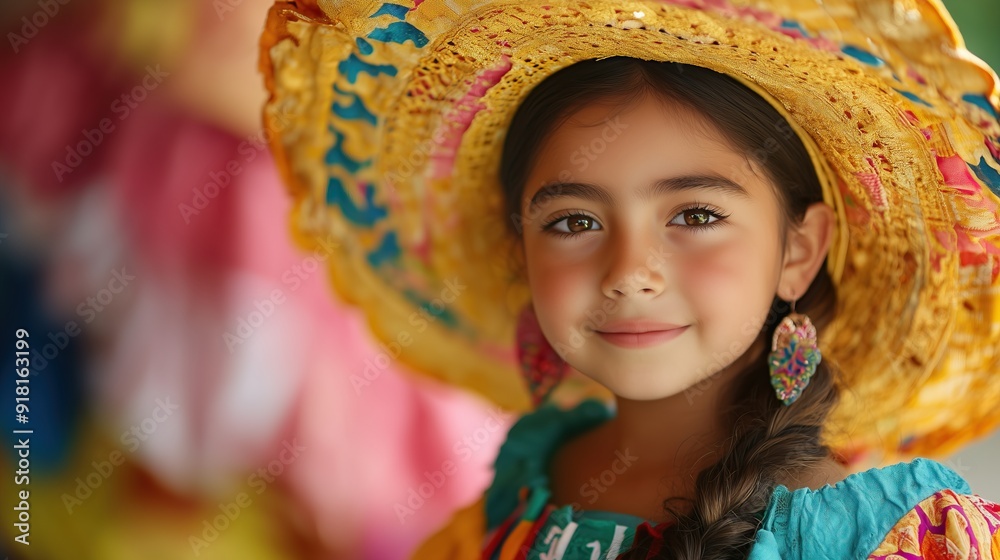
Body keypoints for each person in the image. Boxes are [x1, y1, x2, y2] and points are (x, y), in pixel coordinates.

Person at [259, 0, 1000, 557]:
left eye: (696, 215)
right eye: (575, 222)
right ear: (523, 250)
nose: (629, 274)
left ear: (797, 250)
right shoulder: (521, 485)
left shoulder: (887, 539)